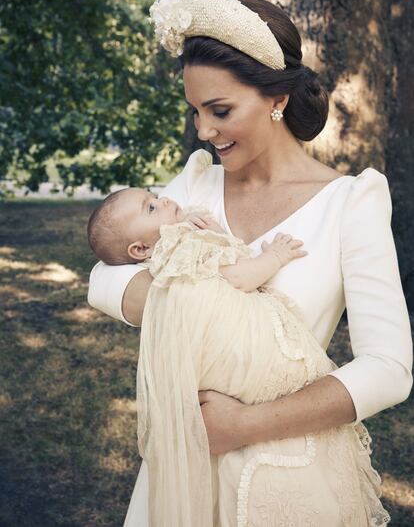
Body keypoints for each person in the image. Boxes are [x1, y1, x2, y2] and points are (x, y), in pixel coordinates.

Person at [87, 0, 413, 526]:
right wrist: (207, 298)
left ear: (277, 99)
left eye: (219, 109)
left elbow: (390, 369)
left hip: (286, 471)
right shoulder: (195, 188)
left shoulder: (349, 203)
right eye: (195, 111)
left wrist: (245, 425)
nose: (204, 131)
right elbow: (103, 278)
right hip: (181, 477)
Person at [86, 181, 391, 525]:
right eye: (151, 207)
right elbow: (236, 276)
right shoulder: (184, 228)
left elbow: (389, 369)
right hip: (207, 426)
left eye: (154, 198)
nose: (164, 199)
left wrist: (211, 239)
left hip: (282, 425)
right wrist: (272, 257)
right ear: (141, 249)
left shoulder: (351, 199)